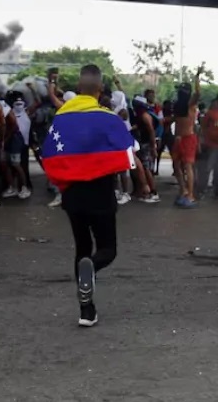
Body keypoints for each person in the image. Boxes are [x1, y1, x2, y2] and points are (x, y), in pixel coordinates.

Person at [40, 65, 135, 328]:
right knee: (107, 249)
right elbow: (128, 156)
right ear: (100, 90)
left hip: (73, 196)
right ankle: (92, 268)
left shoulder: (61, 117)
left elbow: (48, 154)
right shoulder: (108, 118)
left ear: (79, 89)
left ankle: (86, 311)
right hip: (101, 194)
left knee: (82, 248)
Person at [172, 68, 202, 208]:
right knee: (176, 166)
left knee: (188, 166)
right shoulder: (178, 105)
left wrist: (196, 77)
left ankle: (190, 194)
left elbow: (198, 93)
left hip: (188, 138)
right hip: (178, 138)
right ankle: (183, 190)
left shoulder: (191, 104)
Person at [131, 96, 160, 202]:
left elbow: (151, 131)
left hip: (146, 144)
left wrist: (153, 147)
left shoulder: (144, 115)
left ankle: (153, 192)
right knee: (144, 167)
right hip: (144, 144)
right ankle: (145, 192)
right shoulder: (141, 115)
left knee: (146, 168)